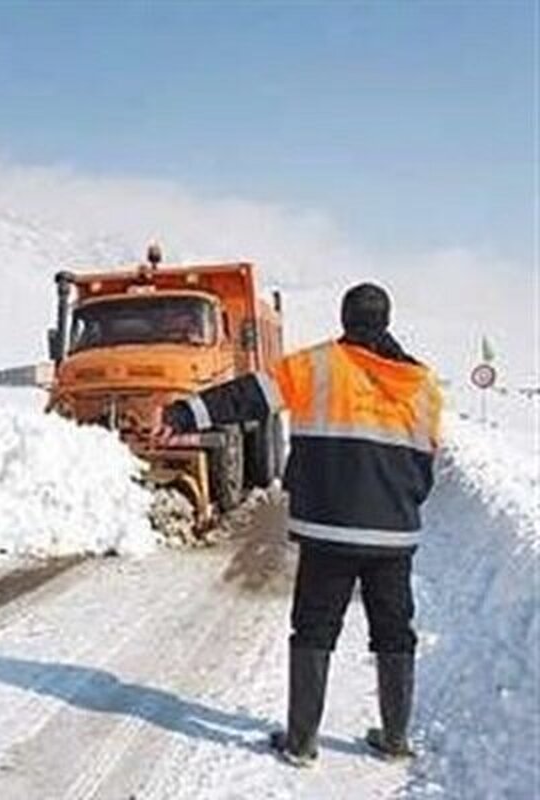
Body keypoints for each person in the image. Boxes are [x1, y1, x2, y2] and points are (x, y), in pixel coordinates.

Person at [153, 283, 442, 767]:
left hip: (329, 531)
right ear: (386, 320)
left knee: (314, 629)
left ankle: (302, 743)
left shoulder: (318, 366)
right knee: (394, 632)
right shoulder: (423, 384)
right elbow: (425, 464)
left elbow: (247, 397)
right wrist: (402, 504)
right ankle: (394, 740)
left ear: (345, 319)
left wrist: (185, 412)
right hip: (394, 534)